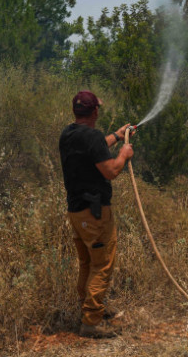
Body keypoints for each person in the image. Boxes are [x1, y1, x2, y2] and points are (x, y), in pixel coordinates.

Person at [59, 90, 134, 338]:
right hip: (95, 214)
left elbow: (96, 147)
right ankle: (91, 322)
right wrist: (123, 154)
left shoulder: (69, 134)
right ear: (95, 112)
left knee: (87, 263)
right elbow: (110, 170)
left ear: (75, 112)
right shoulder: (90, 137)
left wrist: (117, 135)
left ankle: (91, 308)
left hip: (76, 212)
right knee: (102, 265)